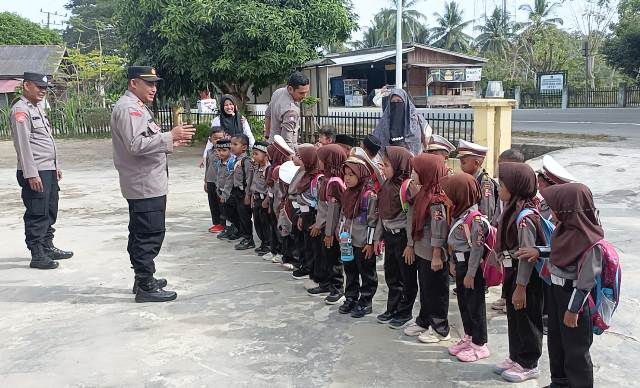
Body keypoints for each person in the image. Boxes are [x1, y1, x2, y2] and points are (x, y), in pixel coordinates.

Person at [111, 66, 195, 302]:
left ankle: (142, 278)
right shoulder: (130, 109)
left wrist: (169, 142)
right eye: (148, 83)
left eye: (155, 84)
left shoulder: (136, 107)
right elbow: (136, 145)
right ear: (133, 84)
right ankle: (146, 284)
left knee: (141, 232)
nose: (154, 88)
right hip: (144, 184)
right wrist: (170, 136)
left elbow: (146, 140)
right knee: (149, 233)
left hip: (146, 181)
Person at [517, 183, 603, 388]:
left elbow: (586, 281)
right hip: (556, 291)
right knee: (556, 341)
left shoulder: (590, 240)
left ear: (568, 209)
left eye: (554, 207)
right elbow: (557, 250)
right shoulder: (563, 229)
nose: (549, 212)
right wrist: (539, 250)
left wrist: (573, 309)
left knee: (575, 349)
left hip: (573, 297)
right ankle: (560, 382)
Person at [10, 71, 73, 270]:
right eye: (39, 87)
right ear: (26, 85)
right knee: (37, 212)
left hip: (47, 169)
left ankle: (47, 245)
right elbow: (23, 145)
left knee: (50, 209)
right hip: (35, 171)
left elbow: (46, 142)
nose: (43, 91)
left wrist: (55, 166)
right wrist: (31, 173)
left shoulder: (37, 108)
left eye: (45, 88)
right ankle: (37, 253)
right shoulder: (21, 110)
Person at [494, 163, 546, 383]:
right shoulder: (510, 210)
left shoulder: (525, 218)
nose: (498, 188)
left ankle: (528, 362)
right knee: (515, 317)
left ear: (515, 187)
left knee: (527, 318)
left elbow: (526, 257)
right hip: (512, 272)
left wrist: (521, 287)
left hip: (526, 278)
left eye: (502, 184)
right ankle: (516, 355)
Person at [441, 173, 490, 362]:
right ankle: (469, 336)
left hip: (472, 267)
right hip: (461, 264)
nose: (445, 197)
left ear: (460, 194)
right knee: (464, 303)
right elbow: (455, 243)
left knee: (475, 305)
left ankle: (480, 344)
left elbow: (477, 250)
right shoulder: (458, 213)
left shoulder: (474, 219)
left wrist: (470, 273)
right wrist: (453, 262)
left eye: (448, 193)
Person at [402, 154, 452, 344]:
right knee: (425, 288)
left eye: (417, 171)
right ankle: (424, 320)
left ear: (427, 173)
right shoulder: (422, 193)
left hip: (433, 254)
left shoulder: (437, 199)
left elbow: (438, 229)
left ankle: (440, 328)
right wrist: (411, 245)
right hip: (422, 251)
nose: (413, 174)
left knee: (436, 291)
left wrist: (437, 254)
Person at [374, 146, 415, 328]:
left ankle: (404, 311)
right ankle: (392, 308)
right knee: (391, 275)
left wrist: (410, 244)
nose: (383, 168)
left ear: (399, 165)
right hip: (389, 237)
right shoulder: (386, 184)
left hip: (403, 239)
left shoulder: (407, 187)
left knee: (406, 277)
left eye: (387, 165)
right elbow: (381, 215)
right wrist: (377, 238)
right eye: (383, 164)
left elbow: (412, 218)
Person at [338, 157, 379, 318]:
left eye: (351, 175)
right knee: (350, 270)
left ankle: (366, 301)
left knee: (367, 272)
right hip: (347, 240)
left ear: (361, 175)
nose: (347, 178)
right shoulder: (347, 193)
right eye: (345, 174)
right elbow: (343, 216)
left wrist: (369, 243)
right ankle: (351, 297)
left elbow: (372, 222)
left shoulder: (369, 196)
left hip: (363, 243)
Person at [307, 144, 347, 305]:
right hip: (323, 225)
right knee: (324, 257)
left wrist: (329, 232)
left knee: (333, 258)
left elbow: (332, 210)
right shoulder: (326, 179)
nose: (319, 162)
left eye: (322, 160)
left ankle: (337, 288)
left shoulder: (334, 182)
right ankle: (326, 284)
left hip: (330, 227)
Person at [492, 148, 526, 313]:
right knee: (507, 270)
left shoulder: (522, 192)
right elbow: (500, 211)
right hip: (504, 240)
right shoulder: (503, 189)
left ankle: (512, 297)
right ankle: (506, 296)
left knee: (514, 270)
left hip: (517, 247)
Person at [291, 144, 322, 281]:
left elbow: (319, 203)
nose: (297, 160)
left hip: (313, 215)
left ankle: (314, 271)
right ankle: (307, 267)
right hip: (304, 214)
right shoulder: (305, 174)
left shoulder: (316, 179)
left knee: (313, 246)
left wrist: (316, 222)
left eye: (301, 158)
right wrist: (301, 216)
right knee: (306, 243)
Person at [457, 139, 499, 224]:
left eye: (463, 163)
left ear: (476, 163)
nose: (461, 166)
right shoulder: (468, 180)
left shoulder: (485, 182)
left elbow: (487, 213)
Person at [372, 89, 425, 156]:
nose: (396, 104)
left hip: (411, 160)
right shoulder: (385, 121)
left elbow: (423, 138)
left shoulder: (415, 119)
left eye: (399, 101)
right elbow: (376, 138)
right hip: (390, 159)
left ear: (405, 102)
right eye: (393, 102)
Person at [264, 71, 310, 148]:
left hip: (271, 145)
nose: (304, 96)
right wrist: (291, 157)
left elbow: (267, 114)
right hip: (282, 151)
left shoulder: (277, 92)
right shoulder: (290, 110)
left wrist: (267, 136)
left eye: (306, 92)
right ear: (290, 89)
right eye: (301, 93)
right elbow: (286, 141)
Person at [227, 134, 254, 250]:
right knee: (235, 213)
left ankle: (248, 239)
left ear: (244, 147)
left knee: (245, 217)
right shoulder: (234, 159)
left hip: (243, 193)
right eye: (231, 144)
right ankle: (240, 233)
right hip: (236, 191)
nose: (231, 147)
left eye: (235, 144)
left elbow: (249, 179)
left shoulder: (246, 161)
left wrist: (248, 195)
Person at [537, 155, 578, 220]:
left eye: (540, 184)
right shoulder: (543, 203)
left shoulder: (559, 211)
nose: (538, 188)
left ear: (551, 188)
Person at [248, 141, 271, 255]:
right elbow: (253, 183)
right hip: (256, 198)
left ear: (266, 155)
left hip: (264, 200)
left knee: (265, 223)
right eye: (253, 154)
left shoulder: (268, 169)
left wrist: (266, 200)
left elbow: (269, 187)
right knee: (257, 222)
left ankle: (268, 244)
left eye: (256, 154)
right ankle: (263, 242)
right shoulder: (255, 167)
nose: (254, 156)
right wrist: (252, 196)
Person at [204, 127, 226, 233]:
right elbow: (207, 166)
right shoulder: (209, 152)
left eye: (220, 138)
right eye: (215, 138)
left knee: (221, 203)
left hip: (221, 182)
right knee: (212, 202)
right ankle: (216, 223)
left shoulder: (226, 152)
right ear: (210, 140)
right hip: (211, 181)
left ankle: (223, 223)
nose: (217, 140)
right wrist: (205, 181)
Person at [215, 140, 237, 240]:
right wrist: (218, 188)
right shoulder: (218, 162)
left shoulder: (231, 163)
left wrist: (225, 194)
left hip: (229, 193)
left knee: (232, 213)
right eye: (219, 150)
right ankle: (228, 229)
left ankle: (234, 230)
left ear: (230, 150)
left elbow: (230, 180)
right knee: (225, 213)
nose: (221, 153)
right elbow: (218, 176)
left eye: (224, 150)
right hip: (221, 192)